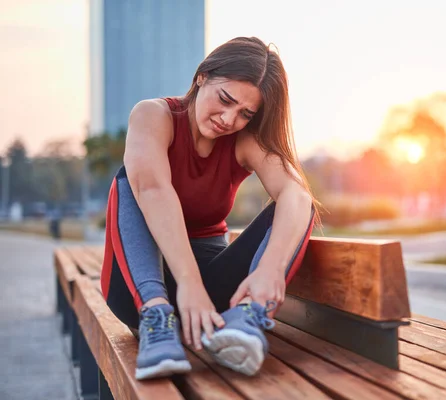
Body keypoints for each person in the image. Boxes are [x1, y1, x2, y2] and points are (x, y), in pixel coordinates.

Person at [99, 37, 318, 380]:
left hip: (213, 293)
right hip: (139, 287)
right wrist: (187, 283)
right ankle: (157, 319)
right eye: (225, 99)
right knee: (131, 178)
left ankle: (246, 319)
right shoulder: (153, 115)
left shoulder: (245, 142)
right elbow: (153, 189)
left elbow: (296, 194)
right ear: (202, 76)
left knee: (298, 200)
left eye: (246, 113)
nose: (229, 119)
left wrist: (271, 268)